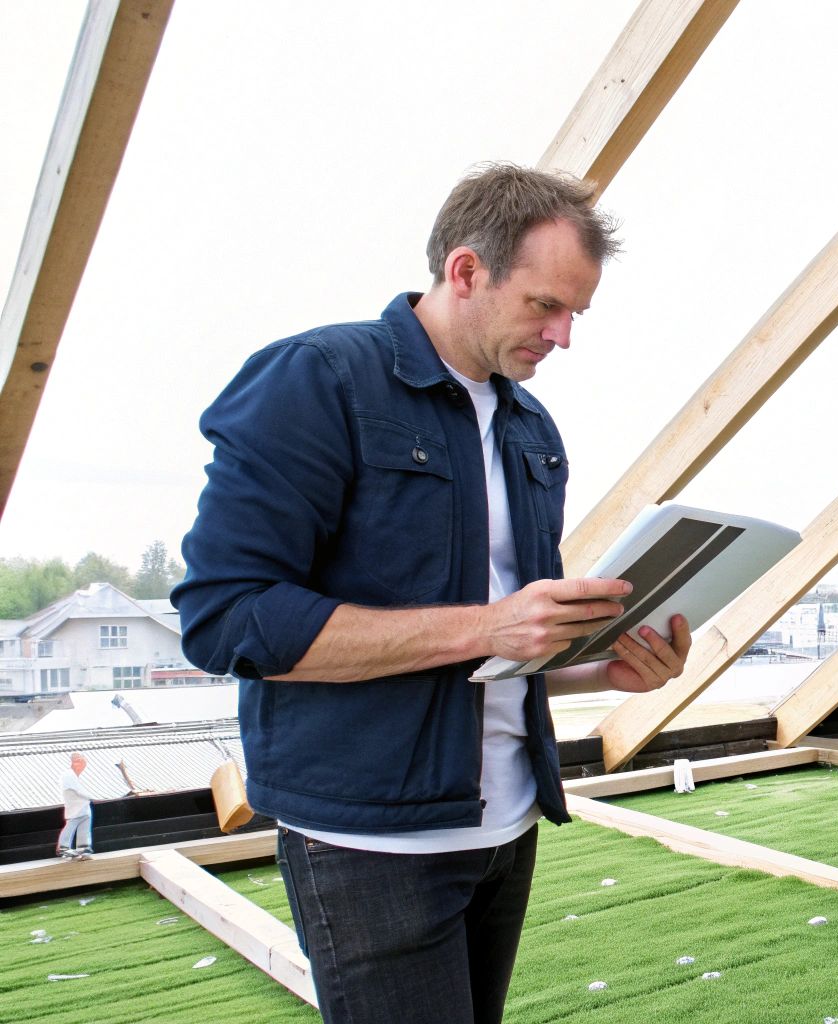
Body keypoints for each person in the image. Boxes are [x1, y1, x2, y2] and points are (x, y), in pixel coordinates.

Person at [174, 163, 691, 1024]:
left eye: (576, 314)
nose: (563, 336)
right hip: (370, 843)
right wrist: (491, 622)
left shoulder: (530, 427)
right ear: (464, 271)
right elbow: (227, 619)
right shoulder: (319, 379)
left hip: (505, 827)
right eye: (544, 306)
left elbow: (495, 655)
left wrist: (600, 672)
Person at [56, 752, 102, 860]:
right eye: (78, 761)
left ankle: (84, 849)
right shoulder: (68, 775)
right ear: (72, 763)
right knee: (71, 825)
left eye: (82, 762)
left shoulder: (75, 776)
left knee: (85, 828)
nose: (81, 765)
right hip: (75, 807)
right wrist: (92, 797)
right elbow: (78, 790)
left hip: (83, 807)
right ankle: (63, 847)